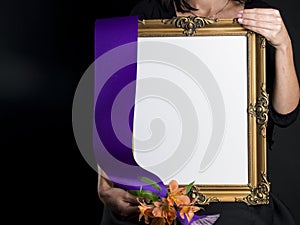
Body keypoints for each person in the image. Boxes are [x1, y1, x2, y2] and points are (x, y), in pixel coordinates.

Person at [97, 0, 300, 224]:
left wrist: (283, 45)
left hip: (234, 191)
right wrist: (104, 186)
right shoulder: (148, 13)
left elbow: (284, 114)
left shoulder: (259, 15)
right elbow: (114, 103)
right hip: (160, 188)